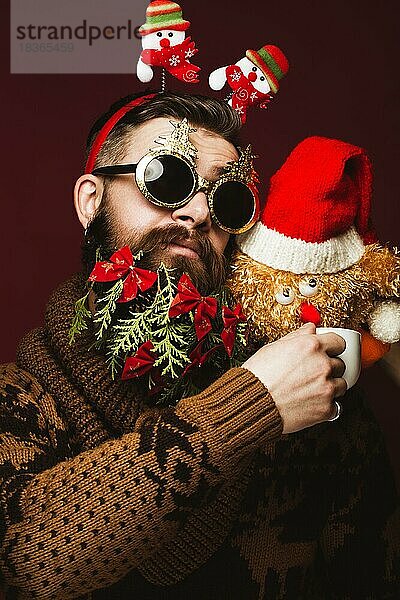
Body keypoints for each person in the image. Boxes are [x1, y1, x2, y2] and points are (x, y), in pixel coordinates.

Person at [0, 91, 398, 600]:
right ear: (90, 201)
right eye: (166, 177)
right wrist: (251, 404)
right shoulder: (19, 397)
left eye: (228, 199)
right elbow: (21, 563)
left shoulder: (316, 390)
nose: (197, 212)